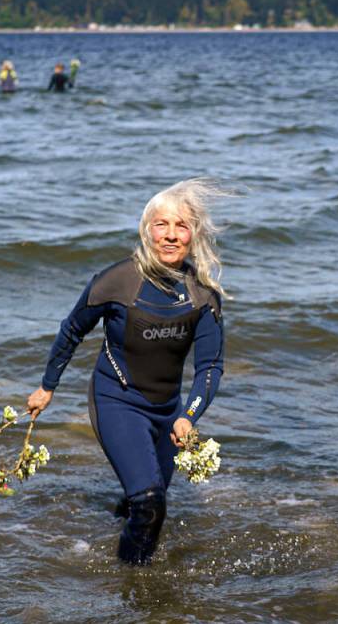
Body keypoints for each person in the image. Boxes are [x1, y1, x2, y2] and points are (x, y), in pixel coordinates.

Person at [26, 178, 227, 566]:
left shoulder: (203, 295)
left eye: (181, 226)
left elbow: (210, 366)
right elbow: (71, 329)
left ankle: (115, 567)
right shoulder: (117, 280)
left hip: (168, 411)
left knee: (144, 501)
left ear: (194, 234)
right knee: (150, 502)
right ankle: (133, 582)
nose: (171, 236)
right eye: (161, 225)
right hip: (116, 400)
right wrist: (47, 387)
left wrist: (189, 415)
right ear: (146, 230)